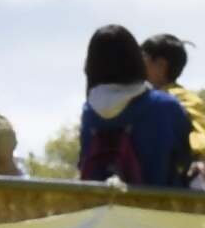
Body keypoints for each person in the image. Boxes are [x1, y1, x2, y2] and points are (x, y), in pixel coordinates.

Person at [74, 23, 197, 189]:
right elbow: (187, 158)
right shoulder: (166, 106)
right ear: (135, 60)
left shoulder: (89, 112)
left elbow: (83, 164)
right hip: (159, 210)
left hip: (105, 210)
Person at [143, 32, 205, 191]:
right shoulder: (149, 98)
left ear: (161, 65)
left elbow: (201, 129)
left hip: (203, 175)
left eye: (144, 57)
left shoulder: (180, 97)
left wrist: (201, 158)